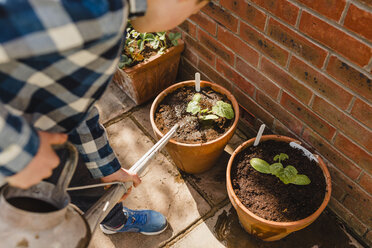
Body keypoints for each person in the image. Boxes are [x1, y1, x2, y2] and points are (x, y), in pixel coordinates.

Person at [0, 0, 209, 235]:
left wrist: (105, 167)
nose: (185, 19)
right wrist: (18, 153)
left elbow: (77, 106)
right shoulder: (97, 14)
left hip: (43, 129)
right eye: (194, 8)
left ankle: (112, 219)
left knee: (86, 178)